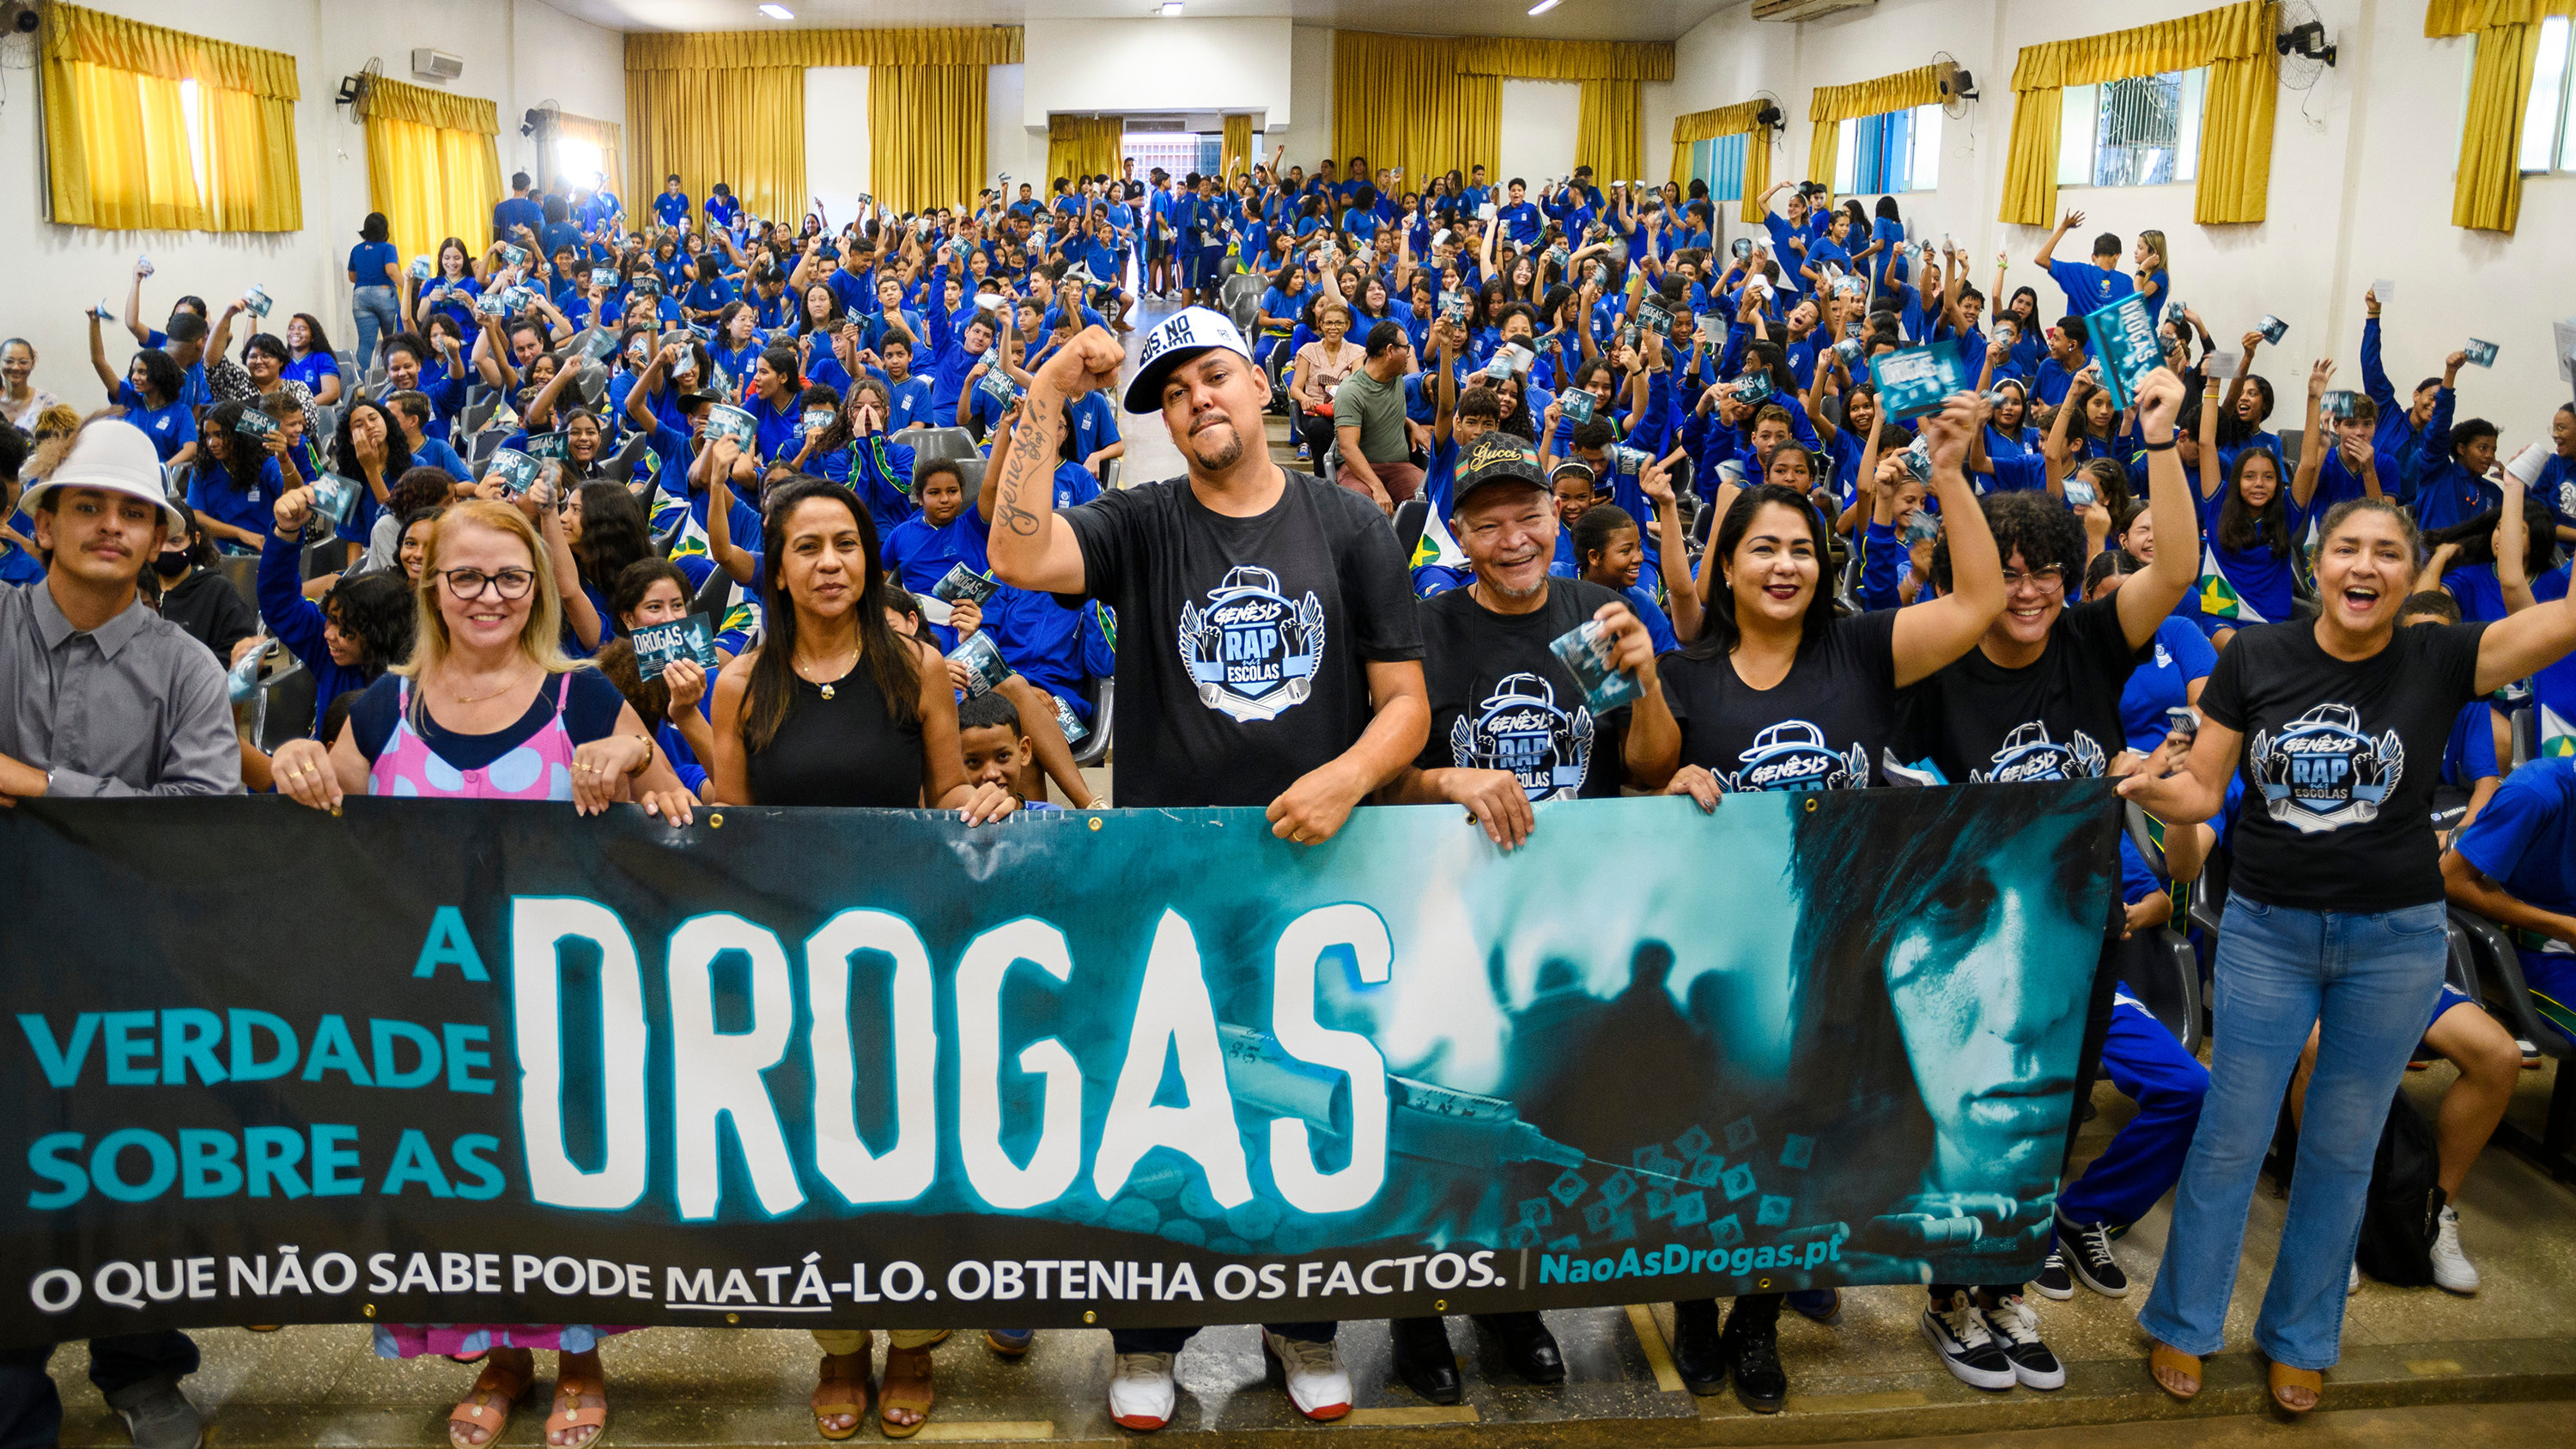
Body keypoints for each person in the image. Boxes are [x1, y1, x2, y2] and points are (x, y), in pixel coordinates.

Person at [987, 309, 1428, 1431]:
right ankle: (1147, 1333)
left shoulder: (1348, 522)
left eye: (1214, 375)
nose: (1196, 400)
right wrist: (1047, 388)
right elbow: (1017, 553)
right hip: (1168, 880)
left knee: (1304, 1102)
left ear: (1261, 386)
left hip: (1312, 872)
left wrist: (1347, 776)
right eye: (1172, 391)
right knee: (1163, 1103)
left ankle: (1303, 1322)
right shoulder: (1143, 521)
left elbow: (1406, 702)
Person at [2118, 491, 2576, 1414]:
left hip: (2394, 941)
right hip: (2268, 931)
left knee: (2342, 1144)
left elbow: (2561, 620)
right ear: (2318, 564)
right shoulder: (2256, 656)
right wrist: (2142, 785)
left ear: (2410, 575)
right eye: (2347, 549)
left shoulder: (2443, 655)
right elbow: (2203, 790)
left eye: (2387, 552)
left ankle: (2300, 1334)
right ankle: (2185, 1319)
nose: (2365, 565)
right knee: (2230, 1137)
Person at [1630, 393, 2006, 1413]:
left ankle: (1757, 1320)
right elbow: (1635, 792)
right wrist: (1666, 784)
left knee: (1801, 1138)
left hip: (1838, 958)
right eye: (1763, 548)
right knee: (1713, 1135)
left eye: (1802, 548)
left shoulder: (1864, 651)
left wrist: (1949, 472)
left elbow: (1978, 601)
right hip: (1723, 955)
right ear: (1727, 566)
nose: (1785, 565)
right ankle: (1696, 1302)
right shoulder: (1685, 675)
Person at [1893, 368, 2199, 1386]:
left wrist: (2162, 441)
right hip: (1975, 944)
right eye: (2009, 573)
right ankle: (1950, 1296)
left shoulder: (2088, 643)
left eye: (2047, 573)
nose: (2027, 592)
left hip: (2080, 934)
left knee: (2054, 1120)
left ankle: (2006, 1284)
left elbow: (2175, 568)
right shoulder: (1937, 663)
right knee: (1977, 1120)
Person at [1370, 432, 1672, 1402]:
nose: (1513, 539)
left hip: (1564, 927)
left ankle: (1510, 1303)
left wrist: (1648, 679)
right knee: (1435, 1117)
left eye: (1529, 517)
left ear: (1557, 519)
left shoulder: (1594, 614)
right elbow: (1376, 781)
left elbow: (1650, 767)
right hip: (1448, 919)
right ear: (1459, 535)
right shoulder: (1427, 627)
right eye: (1489, 523)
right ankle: (1417, 1313)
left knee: (1537, 1117)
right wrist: (1448, 779)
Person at [0, 418, 236, 1449]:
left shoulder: (187, 668)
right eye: (87, 505)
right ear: (43, 523)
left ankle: (141, 1363)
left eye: (133, 512)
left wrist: (30, 784)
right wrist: (107, 803)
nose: (110, 525)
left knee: (125, 1168)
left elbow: (199, 824)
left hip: (126, 962)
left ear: (160, 537)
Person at [149, 502, 259, 665]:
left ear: (196, 539)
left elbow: (241, 657)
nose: (165, 549)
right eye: (157, 541)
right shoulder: (137, 588)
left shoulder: (218, 591)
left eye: (175, 541)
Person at [1333, 320, 1423, 512]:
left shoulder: (1396, 378)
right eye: (1406, 348)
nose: (1409, 354)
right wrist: (1377, 487)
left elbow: (1382, 411)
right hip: (1359, 469)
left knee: (1426, 498)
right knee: (1363, 505)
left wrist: (1412, 425)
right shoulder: (1351, 391)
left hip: (1399, 466)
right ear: (1390, 350)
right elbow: (1348, 447)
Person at [350, 211, 406, 370]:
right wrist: (409, 287)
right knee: (393, 340)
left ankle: (361, 381)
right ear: (385, 230)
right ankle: (393, 376)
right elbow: (391, 271)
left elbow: (352, 277)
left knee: (365, 344)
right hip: (384, 293)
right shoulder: (388, 248)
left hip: (360, 295)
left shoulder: (356, 250)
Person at [2, 337, 61, 431]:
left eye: (23, 362)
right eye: (9, 361)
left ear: (33, 364)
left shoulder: (47, 403)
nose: (16, 367)